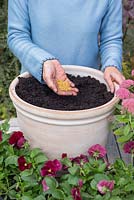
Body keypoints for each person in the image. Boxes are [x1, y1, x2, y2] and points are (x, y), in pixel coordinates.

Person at [8, 0, 125, 96]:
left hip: (88, 90)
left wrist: (111, 65)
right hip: (36, 85)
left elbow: (111, 39)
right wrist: (42, 61)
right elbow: (17, 36)